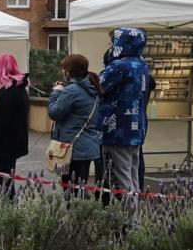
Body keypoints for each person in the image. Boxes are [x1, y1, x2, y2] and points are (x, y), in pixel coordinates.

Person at [99, 27, 150, 194]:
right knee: (132, 175)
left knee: (119, 178)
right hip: (136, 129)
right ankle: (135, 209)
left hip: (117, 130)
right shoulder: (142, 64)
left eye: (113, 43)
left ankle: (127, 211)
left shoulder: (119, 66)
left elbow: (99, 86)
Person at [48, 54, 103, 194]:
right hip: (86, 146)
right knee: (80, 187)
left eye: (63, 68)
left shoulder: (72, 90)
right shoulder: (92, 86)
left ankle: (75, 208)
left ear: (68, 71)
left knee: (70, 190)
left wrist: (56, 92)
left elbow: (54, 113)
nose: (62, 71)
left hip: (72, 149)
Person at [0, 53, 30, 197]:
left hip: (1, 149)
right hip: (12, 147)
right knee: (6, 185)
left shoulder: (7, 93)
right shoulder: (21, 90)